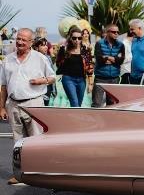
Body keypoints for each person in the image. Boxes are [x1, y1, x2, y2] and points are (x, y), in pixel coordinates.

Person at [0, 28, 55, 183]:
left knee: (36, 139)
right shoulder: (8, 60)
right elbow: (3, 85)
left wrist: (41, 81)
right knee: (18, 143)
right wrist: (2, 107)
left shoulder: (39, 58)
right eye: (18, 38)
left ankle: (40, 172)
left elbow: (52, 78)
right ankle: (19, 174)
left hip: (34, 102)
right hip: (14, 104)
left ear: (31, 43)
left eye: (24, 40)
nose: (20, 42)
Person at [56, 26, 94, 107]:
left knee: (78, 104)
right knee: (74, 102)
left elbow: (89, 66)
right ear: (70, 38)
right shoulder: (65, 49)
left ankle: (73, 118)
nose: (77, 40)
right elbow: (58, 63)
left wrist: (90, 83)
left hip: (81, 80)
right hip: (68, 79)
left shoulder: (85, 50)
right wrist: (62, 51)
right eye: (74, 38)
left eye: (79, 38)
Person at [92, 23, 125, 107]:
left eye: (118, 32)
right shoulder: (99, 44)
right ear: (107, 32)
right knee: (97, 104)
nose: (116, 34)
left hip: (114, 78)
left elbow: (121, 60)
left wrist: (107, 57)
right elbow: (99, 59)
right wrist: (114, 59)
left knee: (112, 105)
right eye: (114, 32)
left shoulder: (121, 45)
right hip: (100, 78)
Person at [32, 37, 56, 106]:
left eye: (46, 45)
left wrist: (53, 88)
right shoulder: (33, 58)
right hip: (36, 86)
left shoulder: (48, 57)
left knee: (45, 105)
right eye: (43, 45)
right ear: (36, 47)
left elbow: (52, 73)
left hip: (47, 86)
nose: (46, 47)